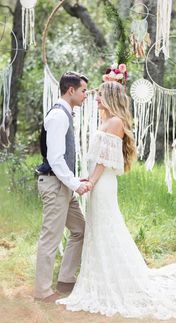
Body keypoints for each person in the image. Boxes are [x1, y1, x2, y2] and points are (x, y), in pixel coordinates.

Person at [57, 81, 176, 319]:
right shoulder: (107, 121)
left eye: (100, 96)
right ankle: (102, 274)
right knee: (99, 228)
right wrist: (87, 177)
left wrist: (91, 181)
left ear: (110, 97)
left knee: (107, 226)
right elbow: (99, 157)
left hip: (102, 184)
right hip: (97, 181)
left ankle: (116, 277)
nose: (96, 99)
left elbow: (104, 160)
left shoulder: (116, 123)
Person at [35, 71, 92, 303]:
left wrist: (74, 181)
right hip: (55, 185)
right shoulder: (59, 116)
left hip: (64, 186)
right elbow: (56, 159)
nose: (86, 95)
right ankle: (42, 291)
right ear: (71, 91)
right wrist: (76, 184)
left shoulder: (66, 114)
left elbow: (63, 158)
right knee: (51, 237)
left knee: (80, 230)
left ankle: (66, 280)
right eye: (84, 90)